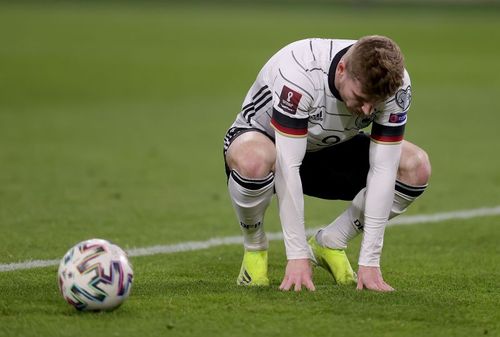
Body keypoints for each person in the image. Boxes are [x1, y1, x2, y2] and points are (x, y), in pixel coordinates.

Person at [222, 36, 431, 292]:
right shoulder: (301, 71)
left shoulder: (395, 85)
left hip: (331, 147)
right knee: (254, 160)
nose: (367, 111)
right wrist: (297, 255)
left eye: (374, 104)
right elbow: (288, 167)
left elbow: (383, 169)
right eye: (361, 97)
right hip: (271, 144)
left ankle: (331, 241)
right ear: (341, 69)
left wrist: (370, 261)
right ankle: (255, 249)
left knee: (416, 167)